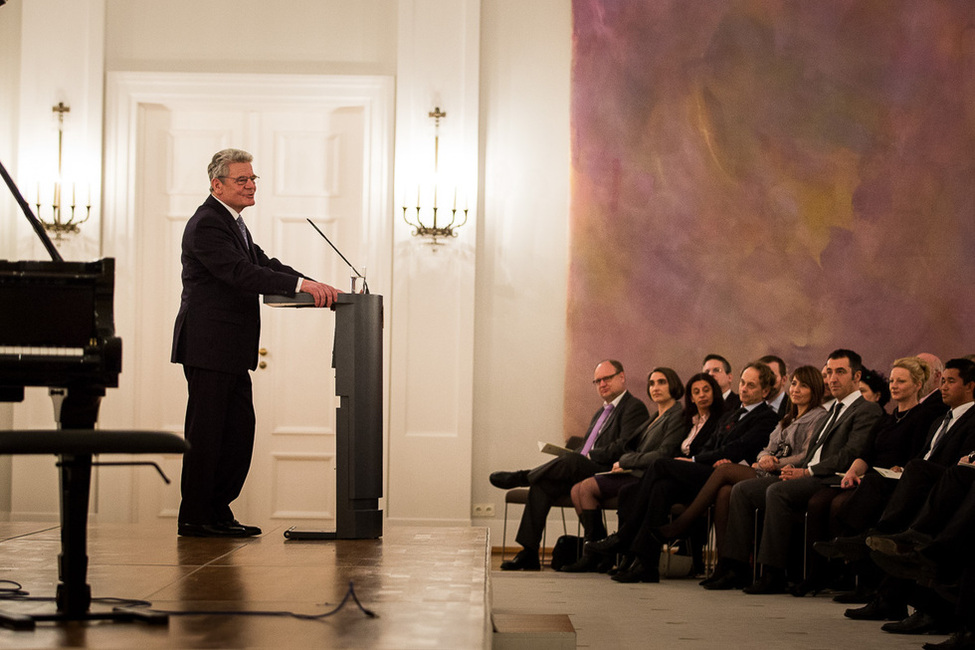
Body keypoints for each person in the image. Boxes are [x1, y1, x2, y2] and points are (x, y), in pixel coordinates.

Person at [172, 148, 340, 538]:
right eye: (241, 180)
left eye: (253, 180)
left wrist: (314, 285)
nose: (250, 186)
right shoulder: (207, 224)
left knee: (236, 433)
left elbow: (265, 264)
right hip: (209, 347)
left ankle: (216, 511)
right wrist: (302, 287)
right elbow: (240, 273)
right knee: (208, 436)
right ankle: (197, 517)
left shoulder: (233, 224)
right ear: (218, 185)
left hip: (229, 350)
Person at [707, 349, 882, 593]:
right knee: (742, 490)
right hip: (808, 472)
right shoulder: (834, 409)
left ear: (857, 376)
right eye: (829, 372)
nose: (832, 378)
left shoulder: (866, 409)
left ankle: (773, 572)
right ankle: (736, 567)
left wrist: (806, 471)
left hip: (829, 477)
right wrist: (794, 467)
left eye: (840, 372)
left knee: (777, 492)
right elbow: (812, 450)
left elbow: (849, 454)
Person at [589, 362, 779, 583]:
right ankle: (646, 564)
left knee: (661, 464)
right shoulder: (733, 414)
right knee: (661, 488)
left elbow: (736, 449)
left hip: (724, 474)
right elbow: (713, 445)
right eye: (743, 383)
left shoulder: (767, 417)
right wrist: (702, 457)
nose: (744, 389)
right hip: (709, 469)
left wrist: (694, 459)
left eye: (751, 386)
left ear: (765, 391)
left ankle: (625, 536)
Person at [489, 359, 650, 570]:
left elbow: (624, 446)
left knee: (571, 460)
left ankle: (522, 476)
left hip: (610, 471)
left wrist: (588, 456)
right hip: (583, 469)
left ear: (621, 377)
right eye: (597, 381)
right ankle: (529, 553)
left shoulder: (633, 407)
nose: (602, 384)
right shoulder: (600, 413)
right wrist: (578, 456)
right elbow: (583, 449)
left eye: (607, 378)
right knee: (542, 485)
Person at [657, 366, 826, 559]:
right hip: (767, 469)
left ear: (815, 390)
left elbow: (805, 455)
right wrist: (764, 458)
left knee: (724, 470)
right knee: (724, 492)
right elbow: (766, 448)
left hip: (787, 475)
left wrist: (775, 462)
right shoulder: (787, 418)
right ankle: (727, 563)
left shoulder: (818, 417)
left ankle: (682, 524)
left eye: (803, 386)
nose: (795, 389)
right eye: (794, 384)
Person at [561, 367, 687, 572]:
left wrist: (627, 461)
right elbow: (631, 447)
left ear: (673, 384)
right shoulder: (655, 415)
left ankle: (597, 553)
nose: (655, 387)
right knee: (576, 489)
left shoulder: (677, 415)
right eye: (652, 383)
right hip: (631, 471)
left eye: (661, 382)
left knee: (585, 489)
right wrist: (624, 462)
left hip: (645, 476)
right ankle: (597, 551)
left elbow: (663, 453)